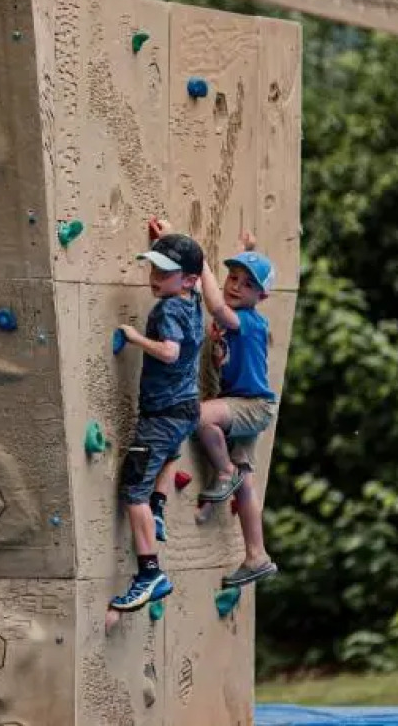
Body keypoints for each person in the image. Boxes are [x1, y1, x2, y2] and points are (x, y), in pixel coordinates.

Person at [108, 231, 206, 613]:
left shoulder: (166, 310)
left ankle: (150, 573)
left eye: (165, 272)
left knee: (133, 490)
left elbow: (169, 352)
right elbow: (202, 271)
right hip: (185, 408)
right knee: (166, 458)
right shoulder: (192, 300)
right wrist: (167, 237)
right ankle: (160, 509)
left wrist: (133, 337)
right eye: (153, 267)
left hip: (162, 414)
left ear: (187, 280)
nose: (154, 276)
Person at [189, 226, 281, 589]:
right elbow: (220, 363)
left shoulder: (248, 321)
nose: (234, 285)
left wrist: (201, 263)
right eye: (232, 277)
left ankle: (223, 474)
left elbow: (216, 306)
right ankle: (257, 554)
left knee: (199, 416)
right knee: (247, 483)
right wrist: (217, 350)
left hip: (252, 405)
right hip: (247, 404)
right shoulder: (236, 324)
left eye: (246, 284)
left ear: (261, 294)